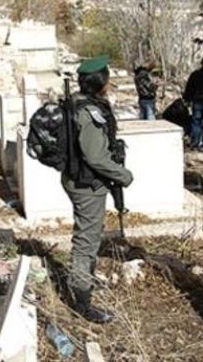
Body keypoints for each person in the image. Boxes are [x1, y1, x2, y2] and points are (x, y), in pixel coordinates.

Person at [63, 55, 134, 323]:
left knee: (89, 234)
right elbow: (95, 157)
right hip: (87, 184)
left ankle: (85, 280)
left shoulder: (81, 103)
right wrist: (123, 175)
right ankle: (82, 301)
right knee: (86, 241)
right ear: (100, 82)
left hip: (82, 180)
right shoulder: (88, 112)